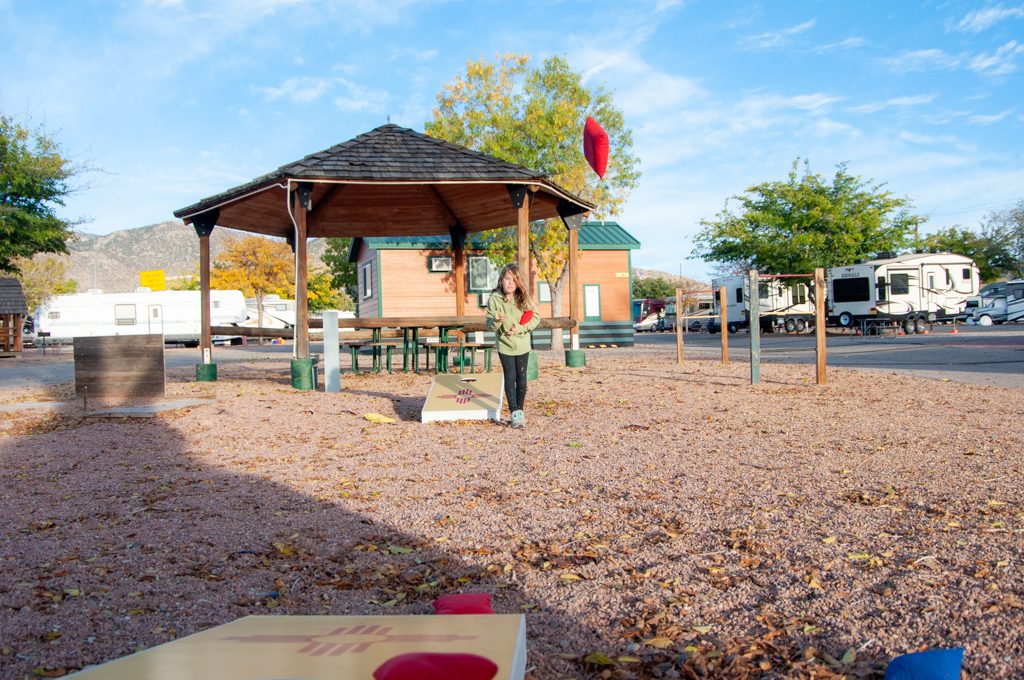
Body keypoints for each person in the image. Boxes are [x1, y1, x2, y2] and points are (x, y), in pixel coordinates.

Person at [486, 263, 540, 429]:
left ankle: (520, 409)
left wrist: (520, 329)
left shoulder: (523, 298)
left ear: (518, 284)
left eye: (514, 280)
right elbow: (489, 324)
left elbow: (535, 318)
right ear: (501, 280)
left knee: (521, 378)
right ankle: (514, 412)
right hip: (504, 346)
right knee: (510, 377)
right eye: (507, 279)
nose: (510, 283)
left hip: (522, 345)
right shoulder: (494, 299)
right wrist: (496, 321)